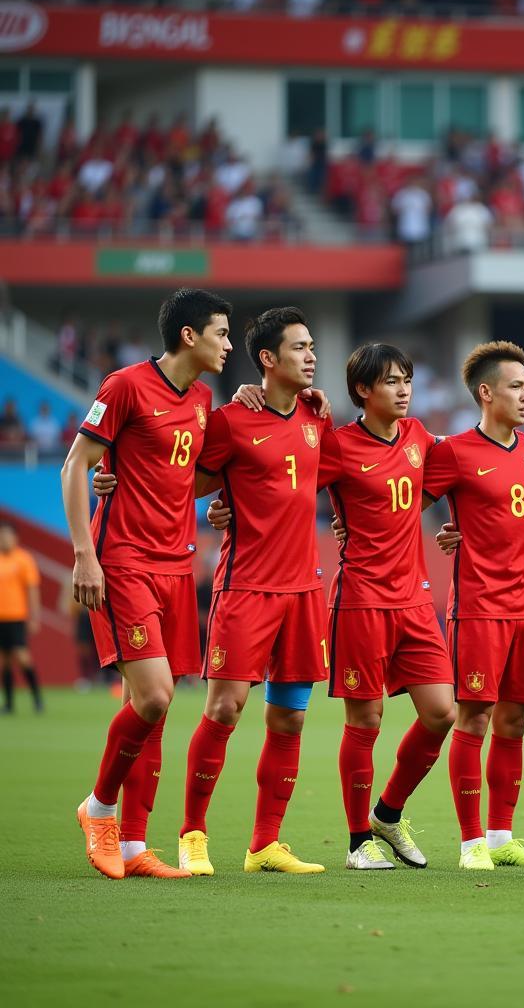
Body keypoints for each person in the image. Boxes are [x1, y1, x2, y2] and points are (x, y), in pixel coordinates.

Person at [61, 287, 233, 880]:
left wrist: (221, 502)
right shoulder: (125, 385)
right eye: (222, 333)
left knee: (155, 708)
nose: (229, 344)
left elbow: (188, 475)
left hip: (177, 564)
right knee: (155, 695)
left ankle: (134, 848)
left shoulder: (206, 398)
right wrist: (85, 554)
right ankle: (99, 807)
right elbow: (75, 464)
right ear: (190, 336)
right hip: (124, 559)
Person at [177, 307, 336, 876]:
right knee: (225, 707)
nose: (312, 355)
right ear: (268, 359)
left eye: (312, 345)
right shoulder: (230, 420)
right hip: (246, 586)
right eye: (299, 347)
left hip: (303, 591)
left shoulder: (319, 418)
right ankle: (192, 835)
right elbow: (187, 483)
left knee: (289, 719)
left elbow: (349, 476)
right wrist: (221, 504)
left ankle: (265, 843)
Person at [423, 341, 524, 870]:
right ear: (486, 393)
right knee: (475, 717)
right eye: (516, 386)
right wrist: (350, 523)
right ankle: (470, 845)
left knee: (516, 721)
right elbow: (401, 503)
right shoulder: (454, 452)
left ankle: (502, 835)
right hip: (478, 606)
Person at [321, 344, 456, 870]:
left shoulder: (421, 437)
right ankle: (358, 842)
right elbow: (280, 486)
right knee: (367, 718)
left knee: (442, 712)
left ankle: (388, 812)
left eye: (407, 380)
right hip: (361, 600)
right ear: (363, 391)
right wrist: (224, 508)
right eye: (392, 382)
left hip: (416, 599)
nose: (403, 390)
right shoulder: (337, 446)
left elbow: (465, 473)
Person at [0, 522, 43, 713]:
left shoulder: (24, 559)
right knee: (5, 661)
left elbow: (32, 589)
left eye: (8, 535)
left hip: (17, 617)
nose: (5, 539)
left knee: (23, 657)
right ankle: (9, 704)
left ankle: (37, 699)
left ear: (15, 537)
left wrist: (34, 616)